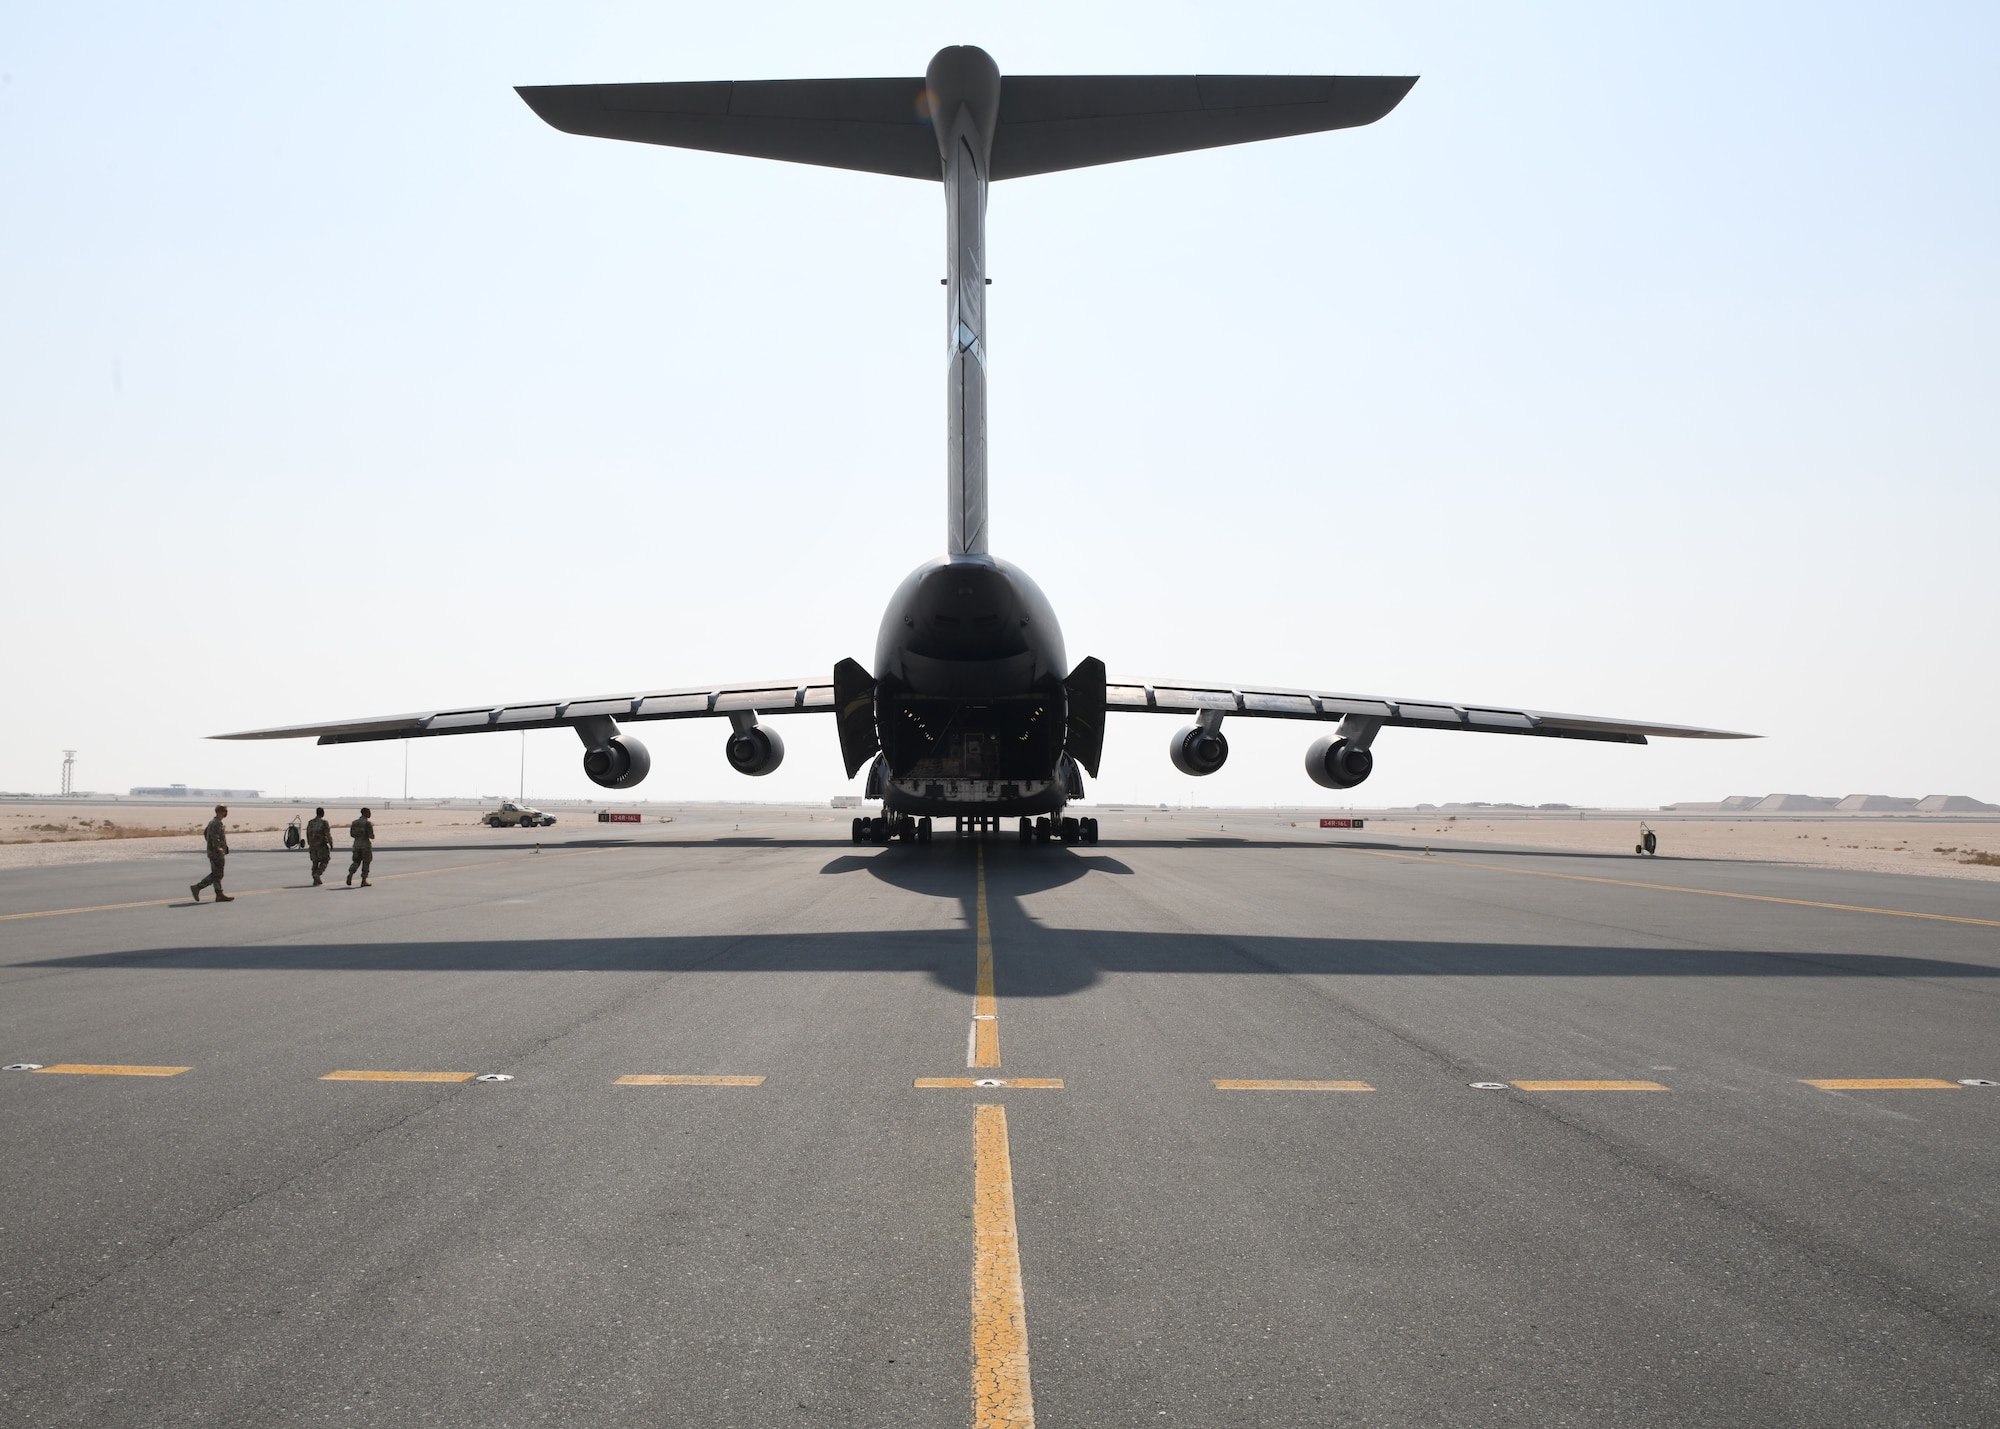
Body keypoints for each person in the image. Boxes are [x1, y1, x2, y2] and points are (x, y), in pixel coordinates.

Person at [190, 804, 234, 903]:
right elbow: (213, 836)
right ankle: (198, 887)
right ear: (219, 812)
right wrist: (217, 847)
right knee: (217, 874)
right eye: (224, 811)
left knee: (217, 874)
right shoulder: (216, 823)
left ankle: (219, 894)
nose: (225, 813)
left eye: (226, 811)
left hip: (214, 851)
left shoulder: (215, 822)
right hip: (216, 853)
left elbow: (206, 833)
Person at [347, 806, 376, 886]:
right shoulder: (367, 823)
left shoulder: (354, 822)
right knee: (366, 862)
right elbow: (371, 836)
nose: (370, 814)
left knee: (356, 861)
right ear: (365, 813)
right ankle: (363, 880)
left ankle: (351, 874)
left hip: (356, 844)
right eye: (369, 812)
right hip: (365, 845)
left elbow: (352, 834)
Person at [306, 806, 334, 886]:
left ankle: (315, 879)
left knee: (315, 861)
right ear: (322, 813)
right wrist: (331, 843)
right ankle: (317, 874)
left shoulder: (311, 822)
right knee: (325, 860)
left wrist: (309, 843)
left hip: (312, 845)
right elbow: (328, 834)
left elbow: (308, 833)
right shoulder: (324, 822)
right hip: (321, 845)